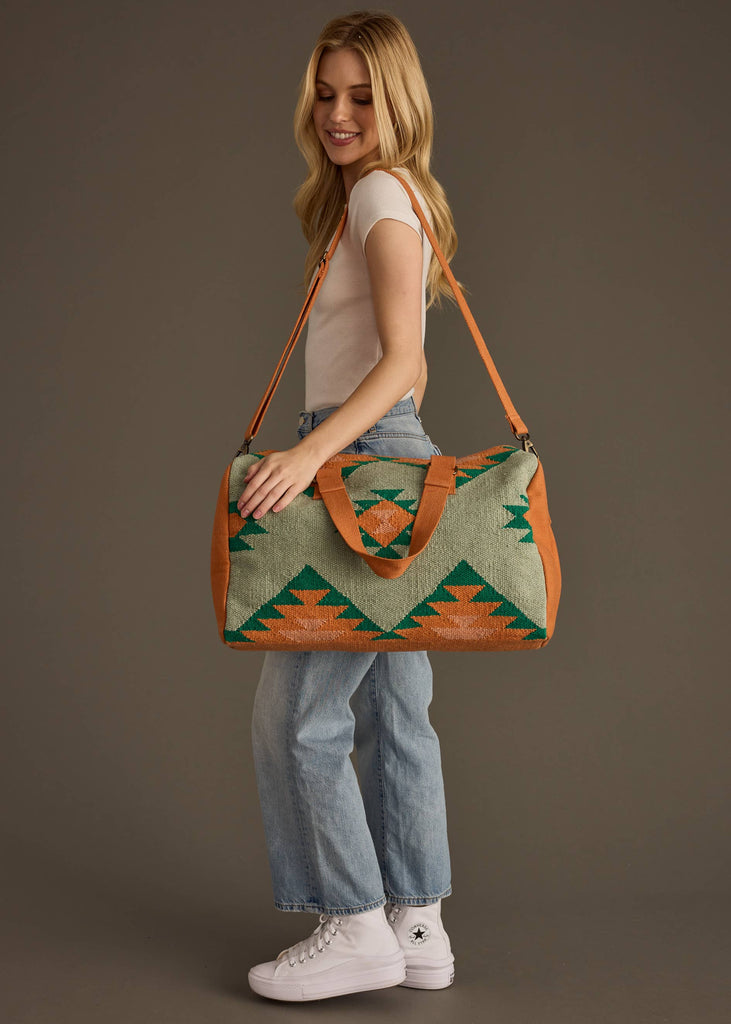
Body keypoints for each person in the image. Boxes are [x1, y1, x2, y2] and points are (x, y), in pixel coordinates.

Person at [237, 11, 466, 1002]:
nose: (337, 113)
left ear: (397, 101)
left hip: (363, 456)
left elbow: (402, 362)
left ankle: (352, 922)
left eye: (361, 96)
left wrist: (311, 449)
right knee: (396, 705)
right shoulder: (385, 194)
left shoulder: (378, 190)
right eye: (326, 93)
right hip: (392, 461)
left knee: (299, 714)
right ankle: (416, 922)